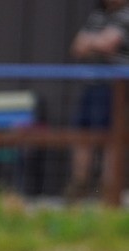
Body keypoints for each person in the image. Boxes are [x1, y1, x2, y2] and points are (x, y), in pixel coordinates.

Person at [66, 0, 129, 201]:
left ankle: (108, 189)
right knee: (82, 133)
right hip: (91, 85)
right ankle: (80, 186)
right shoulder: (97, 14)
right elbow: (77, 46)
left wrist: (91, 43)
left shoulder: (126, 14)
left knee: (110, 137)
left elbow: (109, 44)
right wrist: (97, 43)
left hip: (115, 89)